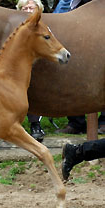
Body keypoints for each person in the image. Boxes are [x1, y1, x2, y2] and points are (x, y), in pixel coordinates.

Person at [53, 0, 105, 135]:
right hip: (77, 13)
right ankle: (76, 122)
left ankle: (103, 121)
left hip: (97, 13)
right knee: (74, 68)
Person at [16, 0, 45, 142]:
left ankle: (36, 125)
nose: (27, 10)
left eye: (31, 8)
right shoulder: (15, 26)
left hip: (38, 68)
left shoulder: (43, 27)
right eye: (24, 8)